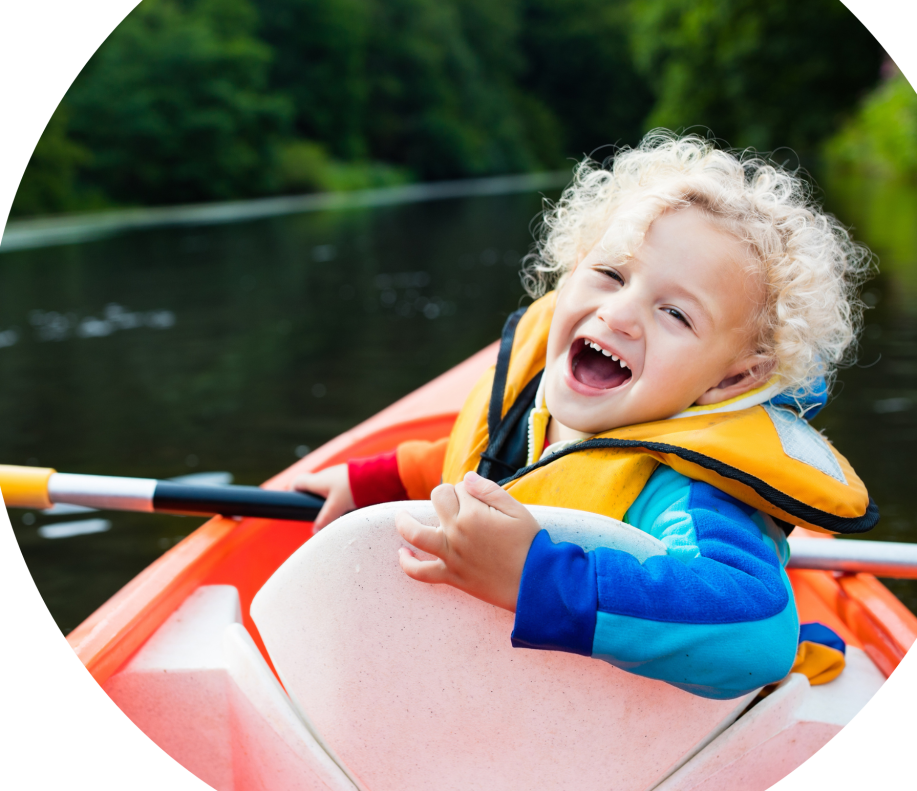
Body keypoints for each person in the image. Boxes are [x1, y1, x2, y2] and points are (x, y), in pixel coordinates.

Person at [293, 131, 875, 699]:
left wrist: (536, 575)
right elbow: (489, 463)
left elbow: (756, 632)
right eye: (611, 275)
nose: (619, 314)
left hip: (612, 744)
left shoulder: (687, 491)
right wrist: (374, 480)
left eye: (674, 313)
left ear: (732, 378)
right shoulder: (540, 397)